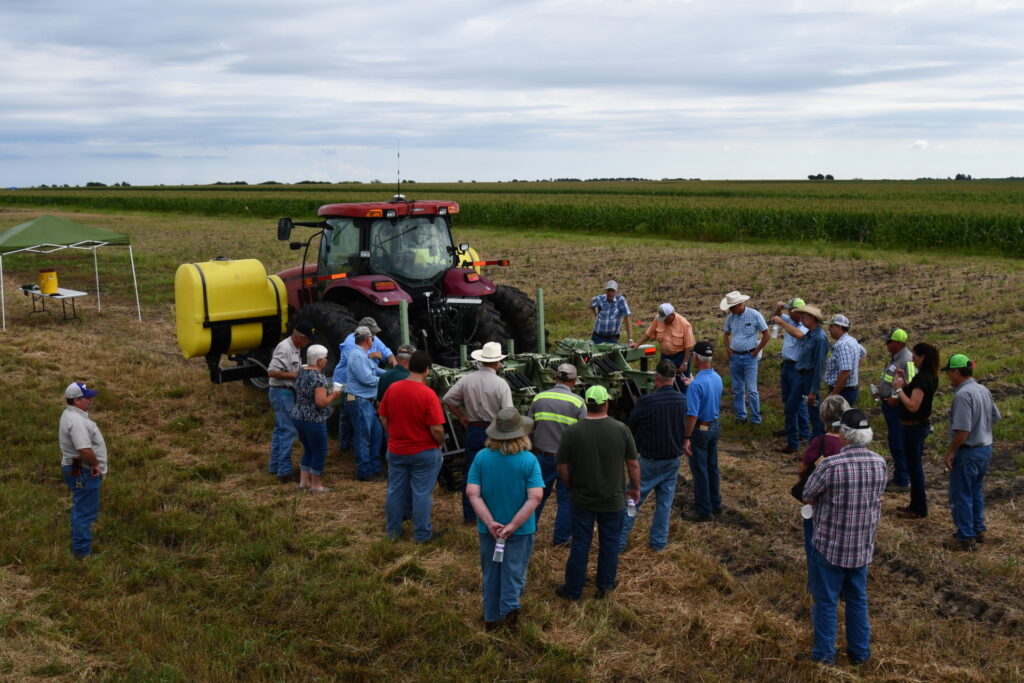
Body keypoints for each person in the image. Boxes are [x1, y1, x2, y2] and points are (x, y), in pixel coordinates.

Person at [801, 408, 887, 666]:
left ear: (843, 435)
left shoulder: (830, 465)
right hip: (861, 546)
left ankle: (824, 656)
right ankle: (860, 653)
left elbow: (808, 494)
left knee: (826, 602)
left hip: (830, 546)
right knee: (857, 600)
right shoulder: (880, 463)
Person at [555, 385, 640, 601]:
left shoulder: (572, 431)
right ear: (606, 404)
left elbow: (562, 466)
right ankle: (605, 586)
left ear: (586, 405)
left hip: (582, 499)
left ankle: (573, 590)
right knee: (609, 543)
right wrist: (635, 488)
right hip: (613, 500)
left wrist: (570, 485)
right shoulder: (621, 429)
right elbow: (633, 463)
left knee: (580, 544)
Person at [466, 407, 545, 630]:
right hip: (520, 531)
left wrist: (490, 522)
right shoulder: (529, 460)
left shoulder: (481, 458)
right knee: (514, 573)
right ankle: (509, 617)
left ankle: (491, 618)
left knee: (491, 572)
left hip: (489, 530)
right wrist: (512, 525)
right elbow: (535, 497)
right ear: (521, 433)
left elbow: (473, 493)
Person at [619, 359, 687, 552]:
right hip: (672, 460)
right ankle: (658, 543)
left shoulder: (647, 402)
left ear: (656, 378)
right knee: (664, 505)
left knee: (632, 500)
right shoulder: (682, 401)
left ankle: (619, 542)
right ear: (673, 378)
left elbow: (632, 423)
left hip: (648, 461)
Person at [379, 350, 447, 543]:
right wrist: (439, 443)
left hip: (397, 449)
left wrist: (393, 433)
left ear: (408, 366)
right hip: (424, 451)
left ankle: (393, 532)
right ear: (427, 370)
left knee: (395, 490)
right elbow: (436, 429)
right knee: (422, 493)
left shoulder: (393, 389)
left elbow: (383, 416)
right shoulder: (428, 394)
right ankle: (422, 535)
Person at [443, 341, 514, 523]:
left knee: (472, 472)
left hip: (473, 429)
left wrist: (461, 416)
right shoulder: (501, 384)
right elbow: (508, 413)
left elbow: (448, 399)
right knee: (496, 472)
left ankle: (470, 515)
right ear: (497, 363)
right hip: (494, 431)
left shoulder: (467, 379)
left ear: (482, 360)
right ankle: (493, 513)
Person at [941, 353, 1001, 551]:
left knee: (960, 494)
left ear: (956, 372)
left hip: (968, 452)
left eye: (949, 372)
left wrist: (950, 452)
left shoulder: (963, 395)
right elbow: (995, 416)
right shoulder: (982, 389)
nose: (948, 377)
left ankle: (965, 537)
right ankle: (977, 529)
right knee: (975, 491)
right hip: (985, 449)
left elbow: (963, 431)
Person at [793, 395, 849, 591]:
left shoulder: (821, 441)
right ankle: (842, 585)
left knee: (814, 542)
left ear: (824, 417)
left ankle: (816, 584)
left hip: (818, 500)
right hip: (844, 501)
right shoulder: (850, 442)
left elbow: (803, 467)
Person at [527, 363, 586, 546]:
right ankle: (561, 539)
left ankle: (529, 532)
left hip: (543, 457)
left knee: (536, 497)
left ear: (555, 378)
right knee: (566, 499)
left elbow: (529, 427)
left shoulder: (539, 398)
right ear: (574, 381)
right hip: (567, 461)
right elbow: (583, 434)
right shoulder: (578, 402)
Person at [888, 342, 939, 519]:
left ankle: (918, 508)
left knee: (915, 470)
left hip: (913, 429)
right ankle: (915, 505)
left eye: (915, 356)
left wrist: (899, 389)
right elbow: (916, 393)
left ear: (923, 358)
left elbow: (913, 406)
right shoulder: (927, 377)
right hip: (916, 427)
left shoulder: (923, 378)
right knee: (914, 468)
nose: (913, 359)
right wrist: (906, 383)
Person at [59, 382, 107, 559]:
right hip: (84, 469)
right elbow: (84, 449)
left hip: (76, 467)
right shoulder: (77, 421)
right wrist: (95, 464)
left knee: (81, 505)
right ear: (77, 401)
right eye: (87, 397)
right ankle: (82, 552)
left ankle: (80, 540)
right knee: (85, 510)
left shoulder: (71, 414)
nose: (90, 399)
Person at [333, 316, 396, 450]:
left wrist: (392, 361)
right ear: (365, 335)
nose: (374, 337)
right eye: (372, 334)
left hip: (361, 389)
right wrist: (373, 357)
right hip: (346, 383)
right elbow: (361, 369)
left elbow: (385, 351)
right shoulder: (351, 344)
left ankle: (354, 447)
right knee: (345, 415)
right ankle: (345, 446)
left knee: (360, 420)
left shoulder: (371, 337)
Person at [682, 342, 724, 521]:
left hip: (700, 430)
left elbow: (691, 415)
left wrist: (686, 437)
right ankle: (716, 503)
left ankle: (703, 510)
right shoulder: (717, 378)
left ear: (696, 358)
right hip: (714, 426)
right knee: (712, 467)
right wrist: (693, 383)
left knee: (699, 471)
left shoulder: (696, 385)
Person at [267, 321, 313, 482]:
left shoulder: (296, 348)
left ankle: (274, 466)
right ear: (300, 337)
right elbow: (272, 372)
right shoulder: (284, 348)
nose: (308, 343)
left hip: (286, 392)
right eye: (307, 340)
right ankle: (284, 472)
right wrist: (295, 376)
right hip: (282, 392)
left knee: (280, 430)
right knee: (289, 430)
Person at [292, 344, 341, 492]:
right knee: (319, 451)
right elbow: (321, 402)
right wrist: (334, 394)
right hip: (313, 419)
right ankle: (316, 485)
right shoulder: (318, 378)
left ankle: (303, 483)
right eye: (325, 358)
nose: (326, 360)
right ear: (319, 361)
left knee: (308, 449)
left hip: (298, 416)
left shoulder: (302, 371)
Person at [875, 329, 915, 493]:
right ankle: (900, 475)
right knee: (894, 441)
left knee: (898, 443)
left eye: (889, 342)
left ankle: (902, 479)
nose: (886, 345)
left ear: (898, 343)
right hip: (889, 405)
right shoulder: (895, 358)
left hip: (897, 408)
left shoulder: (907, 359)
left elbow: (912, 386)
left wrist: (897, 399)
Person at [721, 290, 770, 425]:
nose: (730, 310)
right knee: (737, 388)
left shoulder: (754, 315)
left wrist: (757, 350)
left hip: (750, 356)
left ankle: (755, 418)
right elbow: (726, 334)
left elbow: (767, 334)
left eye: (732, 307)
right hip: (735, 356)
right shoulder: (731, 318)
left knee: (752, 389)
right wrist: (728, 349)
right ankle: (741, 416)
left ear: (740, 304)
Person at [347, 326, 386, 481]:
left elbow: (375, 370)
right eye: (373, 338)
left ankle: (375, 468)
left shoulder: (362, 355)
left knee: (377, 434)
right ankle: (364, 472)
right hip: (359, 401)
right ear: (368, 339)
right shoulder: (357, 355)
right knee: (364, 437)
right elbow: (367, 379)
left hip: (366, 402)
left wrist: (392, 374)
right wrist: (386, 380)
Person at [772, 297, 809, 453]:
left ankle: (801, 434)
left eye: (789, 309)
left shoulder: (805, 325)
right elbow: (776, 318)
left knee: (797, 401)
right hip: (787, 366)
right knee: (788, 401)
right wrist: (778, 310)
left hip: (797, 368)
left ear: (796, 311)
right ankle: (795, 431)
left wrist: (782, 322)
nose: (787, 312)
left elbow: (799, 335)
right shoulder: (791, 320)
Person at [632, 303, 696, 389]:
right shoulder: (658, 319)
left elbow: (689, 347)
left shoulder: (684, 324)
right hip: (665, 357)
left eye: (665, 318)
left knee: (682, 385)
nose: (664, 321)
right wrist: (637, 344)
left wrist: (684, 363)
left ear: (671, 315)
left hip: (680, 357)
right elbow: (648, 334)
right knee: (663, 384)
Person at [791, 305, 829, 438]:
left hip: (810, 378)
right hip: (801, 376)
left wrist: (814, 390)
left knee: (814, 415)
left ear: (813, 318)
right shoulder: (809, 335)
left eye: (804, 316)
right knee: (790, 408)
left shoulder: (819, 338)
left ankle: (817, 447)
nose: (801, 319)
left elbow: (820, 366)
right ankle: (794, 442)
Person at [824, 314, 860, 406]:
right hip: (849, 390)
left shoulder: (842, 345)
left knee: (838, 418)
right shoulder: (852, 340)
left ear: (839, 327)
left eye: (831, 326)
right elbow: (863, 353)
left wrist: (833, 395)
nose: (829, 329)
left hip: (843, 392)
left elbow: (846, 372)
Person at [590, 280, 633, 344]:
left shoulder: (620, 300)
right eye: (609, 290)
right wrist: (596, 315)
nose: (610, 293)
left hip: (612, 338)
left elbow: (627, 318)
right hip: (597, 336)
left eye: (613, 291)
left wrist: (630, 339)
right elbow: (591, 304)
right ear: (606, 291)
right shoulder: (600, 298)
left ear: (616, 291)